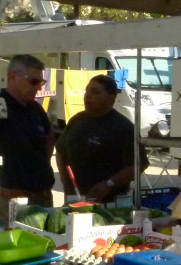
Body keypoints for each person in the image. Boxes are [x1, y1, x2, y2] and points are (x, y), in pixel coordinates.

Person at [0, 54, 56, 224]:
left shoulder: (36, 109)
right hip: (13, 197)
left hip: (42, 195)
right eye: (33, 81)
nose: (38, 88)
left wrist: (41, 163)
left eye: (41, 82)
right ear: (13, 77)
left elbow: (49, 137)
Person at [56, 74, 148, 202]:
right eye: (86, 91)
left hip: (109, 203)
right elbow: (60, 151)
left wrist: (109, 184)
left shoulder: (123, 127)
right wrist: (65, 181)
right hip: (75, 199)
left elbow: (140, 164)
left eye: (95, 92)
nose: (87, 95)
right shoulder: (76, 120)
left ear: (111, 99)